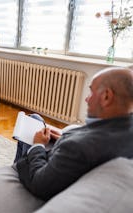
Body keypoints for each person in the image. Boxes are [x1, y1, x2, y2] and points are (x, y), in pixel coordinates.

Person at [14, 66, 133, 201]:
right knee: (35, 119)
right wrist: (63, 136)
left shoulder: (77, 148)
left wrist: (38, 145)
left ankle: (14, 166)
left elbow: (39, 183)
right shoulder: (125, 127)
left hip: (36, 173)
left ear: (106, 96)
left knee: (29, 125)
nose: (86, 99)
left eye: (91, 92)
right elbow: (92, 134)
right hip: (65, 161)